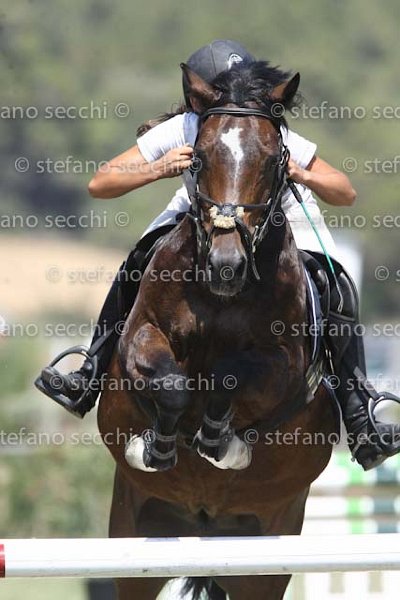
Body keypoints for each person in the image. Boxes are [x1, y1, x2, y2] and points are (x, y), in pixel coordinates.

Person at [35, 40, 400, 470]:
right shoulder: (185, 127)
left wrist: (300, 173)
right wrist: (158, 168)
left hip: (275, 214)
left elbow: (346, 193)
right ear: (198, 99)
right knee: (138, 260)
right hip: (202, 211)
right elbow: (100, 183)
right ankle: (90, 372)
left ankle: (359, 413)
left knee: (334, 282)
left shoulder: (272, 130)